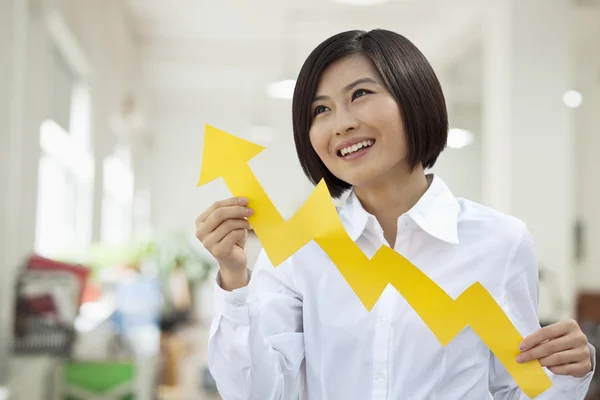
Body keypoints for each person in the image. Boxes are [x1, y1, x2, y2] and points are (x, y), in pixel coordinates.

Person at [195, 29, 596, 399]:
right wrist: (234, 278)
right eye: (320, 110)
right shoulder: (304, 250)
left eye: (360, 94)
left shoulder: (499, 242)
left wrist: (565, 376)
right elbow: (257, 393)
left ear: (413, 97)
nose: (342, 123)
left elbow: (514, 388)